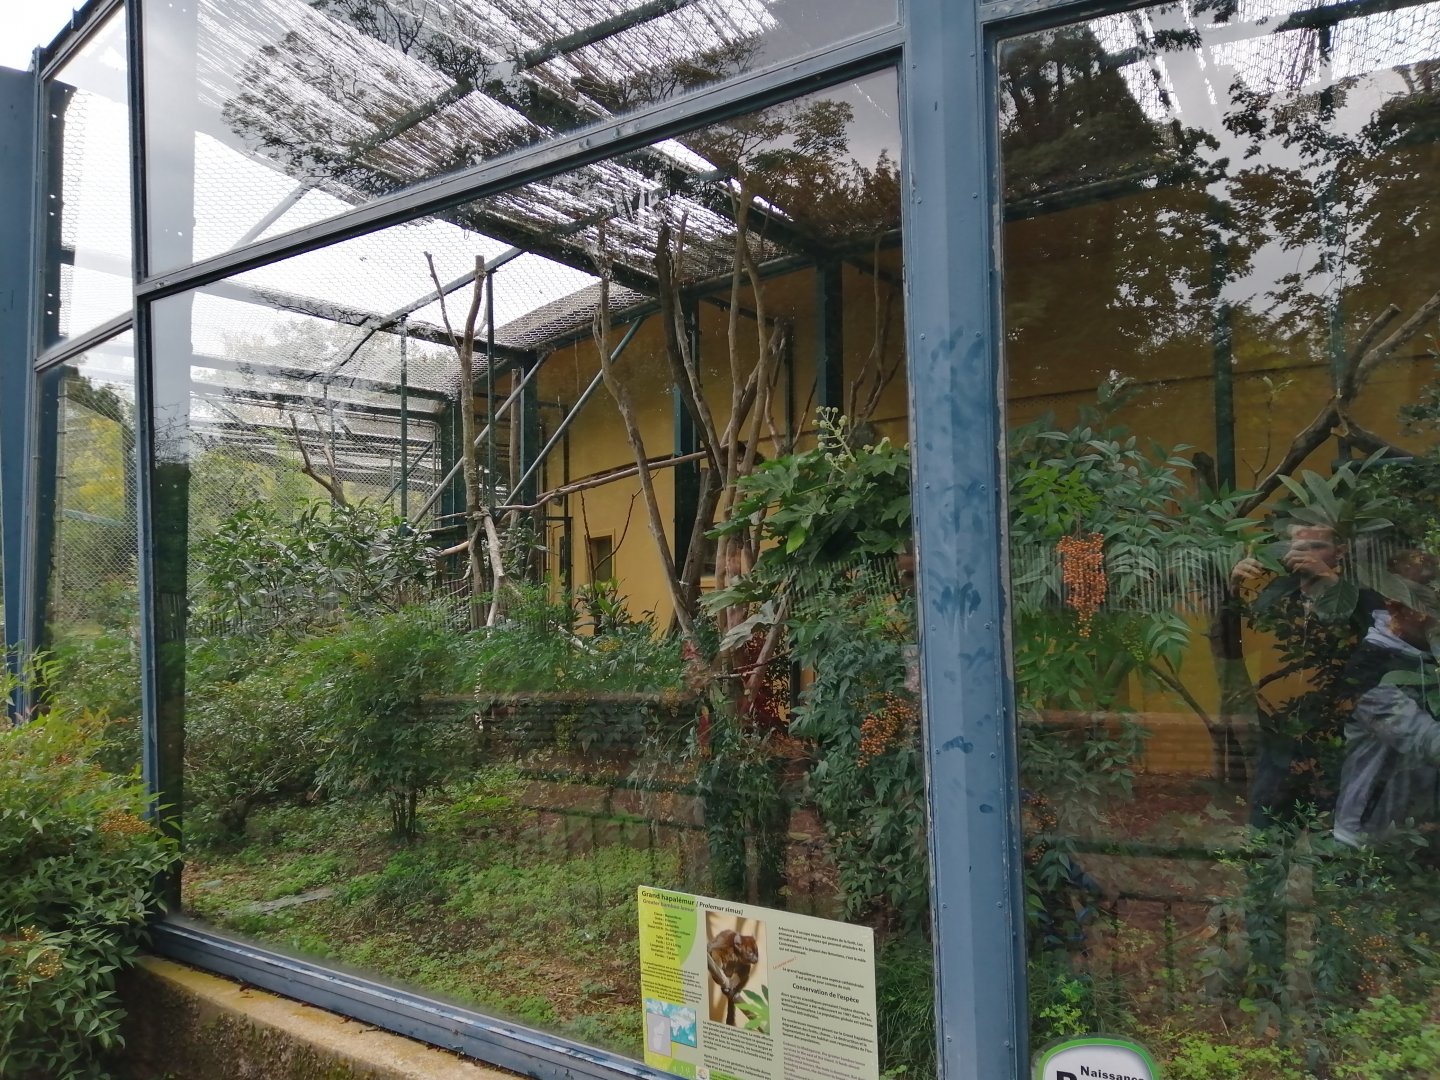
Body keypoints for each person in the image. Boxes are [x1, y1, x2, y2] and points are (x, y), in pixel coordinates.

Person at [1224, 523, 1384, 827]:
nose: (1304, 556)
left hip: (1342, 744)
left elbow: (1381, 649)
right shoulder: (1272, 597)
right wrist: (1233, 591)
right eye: (1296, 548)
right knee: (1265, 846)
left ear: (1340, 552)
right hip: (1279, 742)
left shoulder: (1363, 597)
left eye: (1316, 547)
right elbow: (1228, 651)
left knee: (1338, 856)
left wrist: (1331, 582)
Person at [1334, 554, 1440, 850]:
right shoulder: (1372, 670)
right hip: (1368, 840)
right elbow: (1428, 741)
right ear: (1397, 608)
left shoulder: (1424, 650)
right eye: (1431, 608)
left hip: (1419, 831)